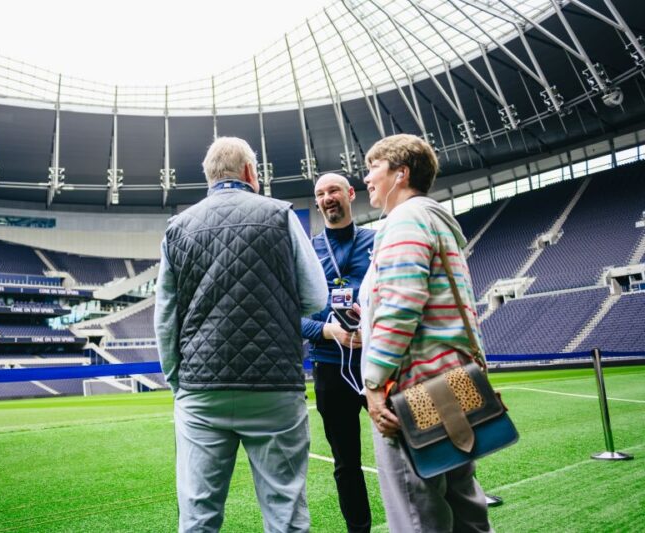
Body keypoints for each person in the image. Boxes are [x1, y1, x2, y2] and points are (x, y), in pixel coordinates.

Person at [154, 136, 328, 533]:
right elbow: (316, 297)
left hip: (201, 388)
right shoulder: (280, 215)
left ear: (209, 176)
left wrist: (178, 382)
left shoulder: (177, 228)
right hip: (274, 385)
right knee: (285, 513)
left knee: (198, 516)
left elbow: (165, 317)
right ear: (250, 172)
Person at [359, 134, 492, 532]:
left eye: (373, 168)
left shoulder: (405, 218)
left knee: (417, 511)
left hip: (415, 385)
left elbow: (401, 304)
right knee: (464, 503)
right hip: (454, 378)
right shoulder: (436, 221)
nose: (367, 178)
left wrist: (374, 383)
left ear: (401, 173)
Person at [301, 173, 375, 533]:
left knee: (409, 443)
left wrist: (371, 327)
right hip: (330, 368)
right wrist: (329, 331)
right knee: (346, 462)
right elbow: (289, 314)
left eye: (333, 190)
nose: (327, 197)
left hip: (378, 360)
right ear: (317, 203)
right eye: (320, 193)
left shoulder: (377, 241)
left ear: (350, 194)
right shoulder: (307, 251)